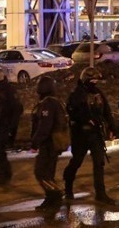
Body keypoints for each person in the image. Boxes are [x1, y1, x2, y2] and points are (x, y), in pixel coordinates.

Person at [63, 67, 117, 205]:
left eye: (95, 80)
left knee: (99, 163)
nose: (94, 83)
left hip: (96, 134)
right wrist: (86, 119)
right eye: (92, 80)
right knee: (76, 162)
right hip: (80, 134)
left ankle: (100, 193)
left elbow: (106, 111)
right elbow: (72, 111)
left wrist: (112, 127)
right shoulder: (76, 94)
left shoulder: (98, 93)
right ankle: (68, 188)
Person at [30, 76, 69, 210]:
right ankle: (51, 200)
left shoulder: (48, 104)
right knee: (48, 174)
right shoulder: (54, 101)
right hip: (53, 143)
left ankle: (56, 194)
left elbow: (45, 127)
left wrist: (35, 142)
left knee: (41, 172)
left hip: (49, 143)